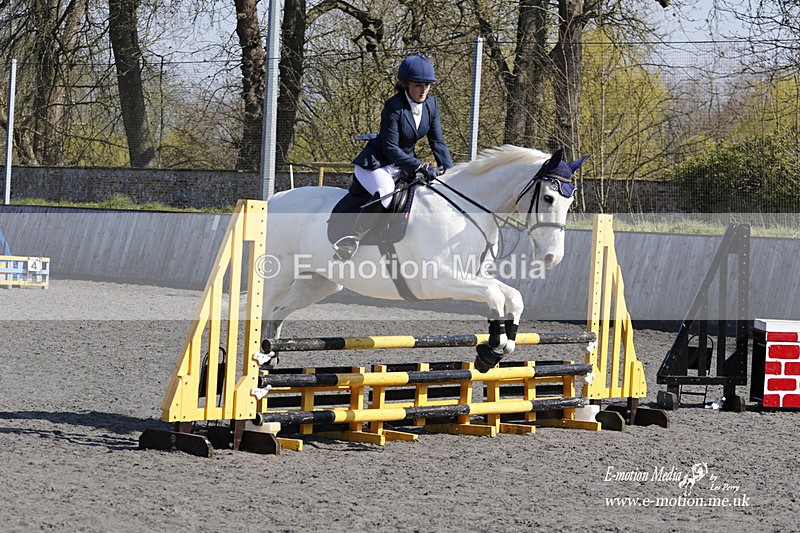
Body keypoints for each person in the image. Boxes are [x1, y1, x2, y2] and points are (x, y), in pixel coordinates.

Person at [332, 54, 454, 261]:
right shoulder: (394, 106)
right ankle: (351, 240)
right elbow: (390, 148)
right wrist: (421, 166)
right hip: (376, 164)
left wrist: (449, 171)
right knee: (386, 191)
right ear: (406, 84)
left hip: (402, 165)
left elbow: (437, 141)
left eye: (427, 85)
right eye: (418, 85)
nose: (423, 90)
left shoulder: (431, 105)